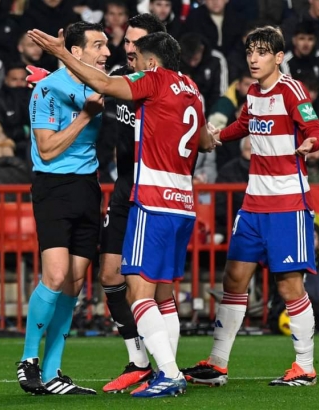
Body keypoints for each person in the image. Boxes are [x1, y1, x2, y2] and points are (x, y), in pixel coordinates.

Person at [27, 28, 217, 398]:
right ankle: (161, 368)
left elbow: (103, 82)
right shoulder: (191, 86)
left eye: (135, 52)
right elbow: (207, 141)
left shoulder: (152, 80)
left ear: (150, 60)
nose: (125, 55)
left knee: (139, 292)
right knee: (161, 293)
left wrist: (61, 54)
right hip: (183, 201)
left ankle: (166, 373)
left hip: (152, 197)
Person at [179, 25, 319, 388]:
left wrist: (311, 144)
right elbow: (244, 124)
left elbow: (315, 129)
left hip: (289, 203)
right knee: (234, 278)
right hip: (254, 205)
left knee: (289, 286)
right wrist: (214, 137)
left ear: (278, 57)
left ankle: (304, 366)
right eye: (250, 53)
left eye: (262, 52)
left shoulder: (291, 89)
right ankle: (217, 364)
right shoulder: (253, 93)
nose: (254, 59)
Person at [15, 22, 109, 396]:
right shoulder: (46, 89)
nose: (106, 52)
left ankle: (53, 372)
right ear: (76, 50)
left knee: (73, 283)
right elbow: (49, 149)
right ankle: (28, 360)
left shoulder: (99, 85)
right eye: (98, 45)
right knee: (54, 276)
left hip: (88, 188)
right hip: (53, 186)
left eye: (106, 45)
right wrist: (86, 116)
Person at [95, 14, 167, 394]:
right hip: (125, 187)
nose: (128, 48)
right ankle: (138, 361)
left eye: (136, 43)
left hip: (155, 192)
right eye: (126, 41)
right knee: (110, 276)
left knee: (155, 289)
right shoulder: (123, 77)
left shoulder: (166, 83)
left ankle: (165, 366)